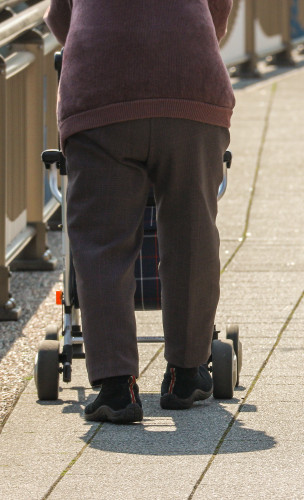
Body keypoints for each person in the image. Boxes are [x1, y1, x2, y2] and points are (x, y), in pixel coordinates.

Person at [45, 0, 235, 424]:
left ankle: (116, 387)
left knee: (101, 242)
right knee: (192, 235)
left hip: (100, 94)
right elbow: (218, 10)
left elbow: (60, 19)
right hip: (191, 87)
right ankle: (187, 373)